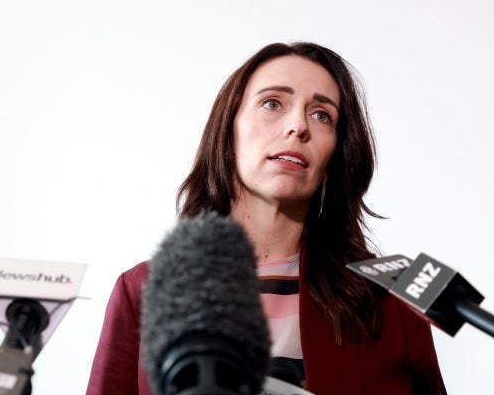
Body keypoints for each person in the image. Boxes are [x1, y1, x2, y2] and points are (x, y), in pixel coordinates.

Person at [87, 42, 446, 395]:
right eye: (272, 103)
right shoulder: (142, 291)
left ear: (336, 152)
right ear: (229, 129)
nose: (297, 126)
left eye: (322, 115)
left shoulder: (392, 298)